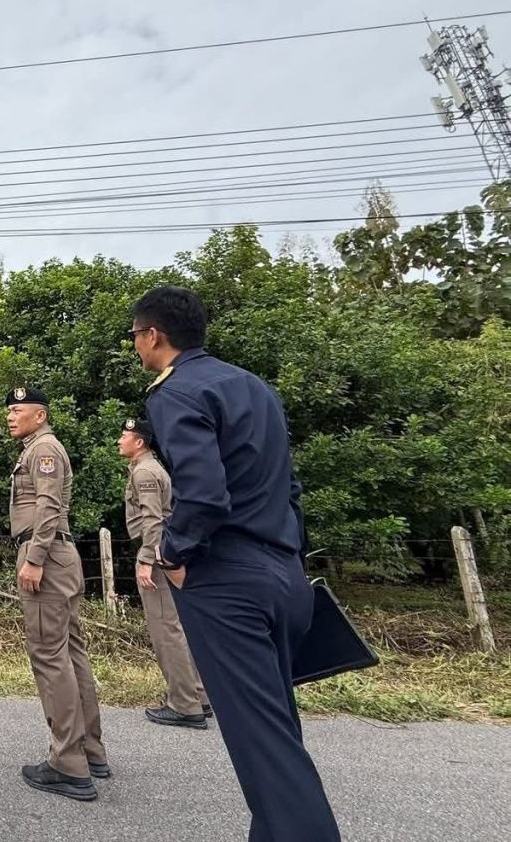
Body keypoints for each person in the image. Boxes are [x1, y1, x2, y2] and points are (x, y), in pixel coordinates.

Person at [130, 285, 341, 842]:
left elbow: (203, 494)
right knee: (274, 735)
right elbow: (289, 487)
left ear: (153, 335)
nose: (136, 346)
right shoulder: (254, 387)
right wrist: (290, 558)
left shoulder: (175, 392)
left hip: (227, 582)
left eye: (135, 336)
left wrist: (173, 552)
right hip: (284, 572)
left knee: (266, 753)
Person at [5, 387, 110, 803]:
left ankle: (68, 763)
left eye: (18, 409)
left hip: (45, 556)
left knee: (49, 656)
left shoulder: (44, 449)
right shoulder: (38, 447)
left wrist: (34, 558)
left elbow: (48, 506)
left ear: (40, 414)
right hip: (57, 556)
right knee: (70, 654)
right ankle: (90, 751)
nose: (11, 416)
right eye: (9, 410)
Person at [118, 416, 209, 729]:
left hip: (155, 555)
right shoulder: (147, 468)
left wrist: (147, 559)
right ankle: (198, 695)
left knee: (165, 630)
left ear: (139, 442)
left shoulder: (145, 471)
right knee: (176, 627)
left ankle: (184, 705)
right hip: (163, 552)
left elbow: (153, 519)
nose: (119, 440)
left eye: (124, 436)